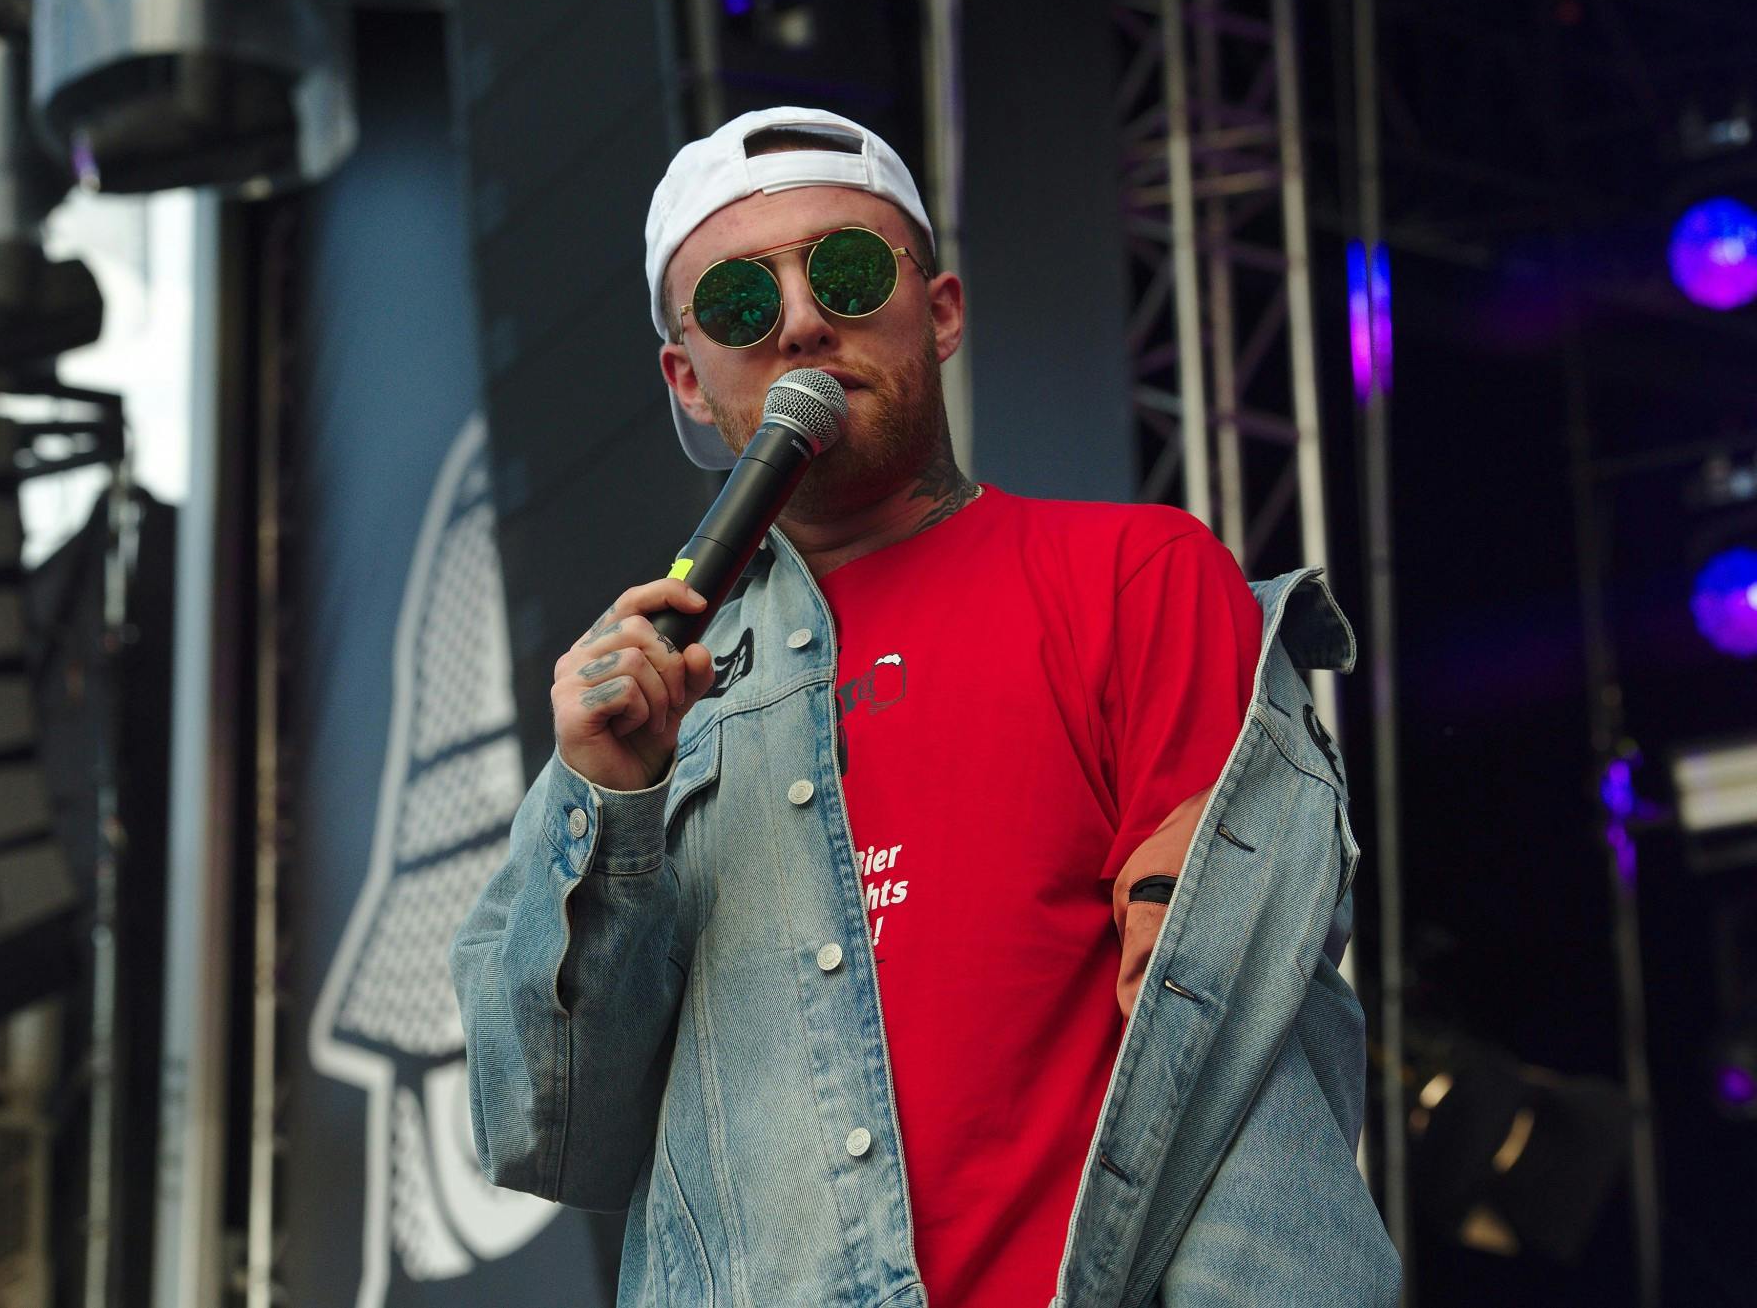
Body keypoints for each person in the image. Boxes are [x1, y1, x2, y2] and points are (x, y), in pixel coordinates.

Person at [452, 107, 1400, 1306]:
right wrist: (608, 802)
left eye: (845, 270)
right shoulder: (647, 709)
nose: (801, 319)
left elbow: (1218, 1047)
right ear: (688, 380)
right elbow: (551, 1131)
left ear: (938, 309)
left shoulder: (1130, 576)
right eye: (743, 303)